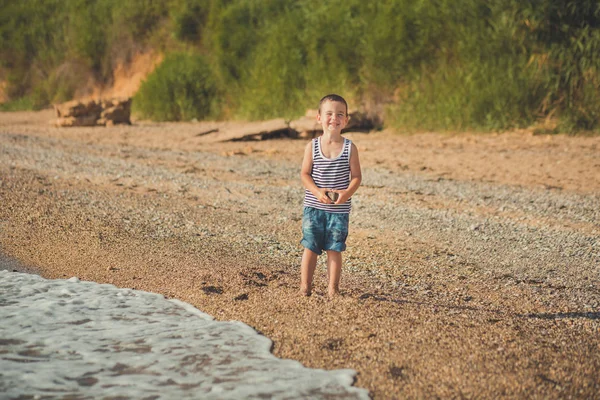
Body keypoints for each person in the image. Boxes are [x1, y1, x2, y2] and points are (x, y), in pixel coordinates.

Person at [300, 94, 362, 298]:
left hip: (339, 210)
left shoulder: (350, 148)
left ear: (346, 120)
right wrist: (318, 192)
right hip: (314, 208)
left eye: (339, 114)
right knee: (310, 247)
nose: (333, 118)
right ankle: (305, 287)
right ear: (319, 117)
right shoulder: (312, 146)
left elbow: (356, 177)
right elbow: (305, 174)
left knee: (334, 249)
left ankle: (333, 289)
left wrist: (346, 194)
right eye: (329, 114)